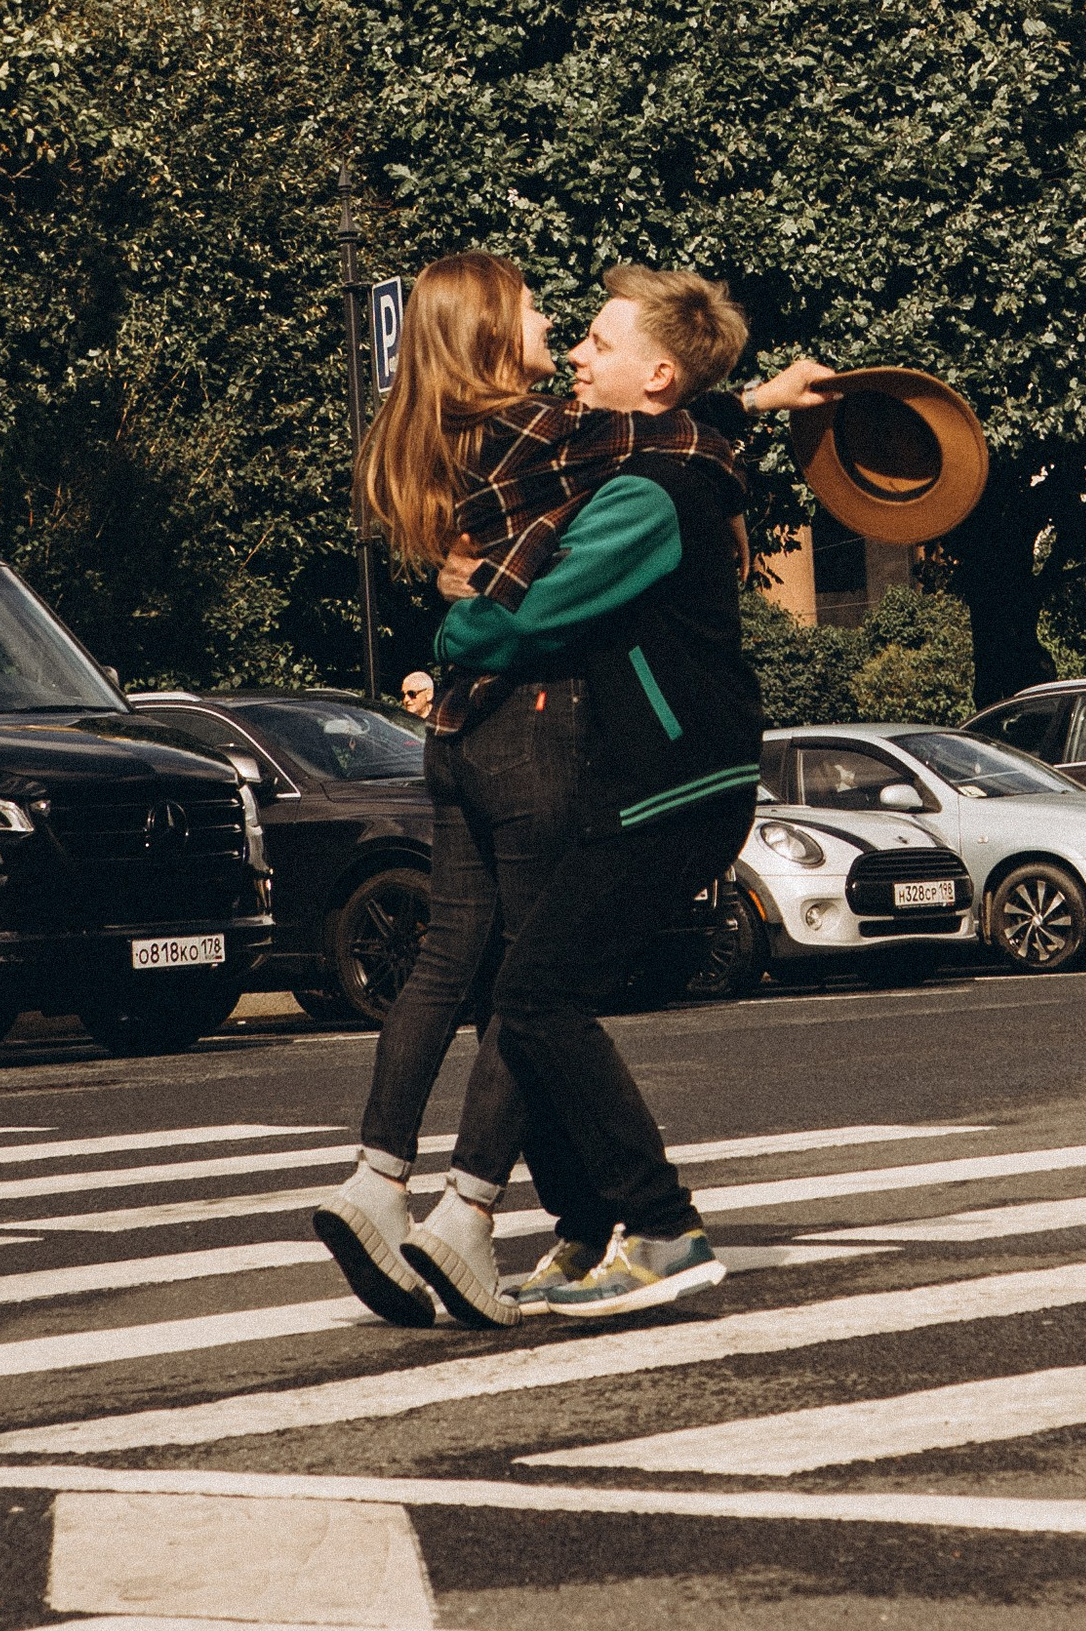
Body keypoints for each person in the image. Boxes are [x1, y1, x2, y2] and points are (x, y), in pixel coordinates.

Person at [306, 255, 835, 1333]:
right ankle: (593, 1227)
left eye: (597, 340)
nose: (577, 350)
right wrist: (761, 397)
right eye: (574, 331)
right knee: (525, 994)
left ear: (652, 380)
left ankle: (659, 1228)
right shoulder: (637, 457)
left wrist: (456, 626)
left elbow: (530, 618)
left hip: (669, 777)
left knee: (534, 996)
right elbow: (676, 426)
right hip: (649, 773)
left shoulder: (645, 490)